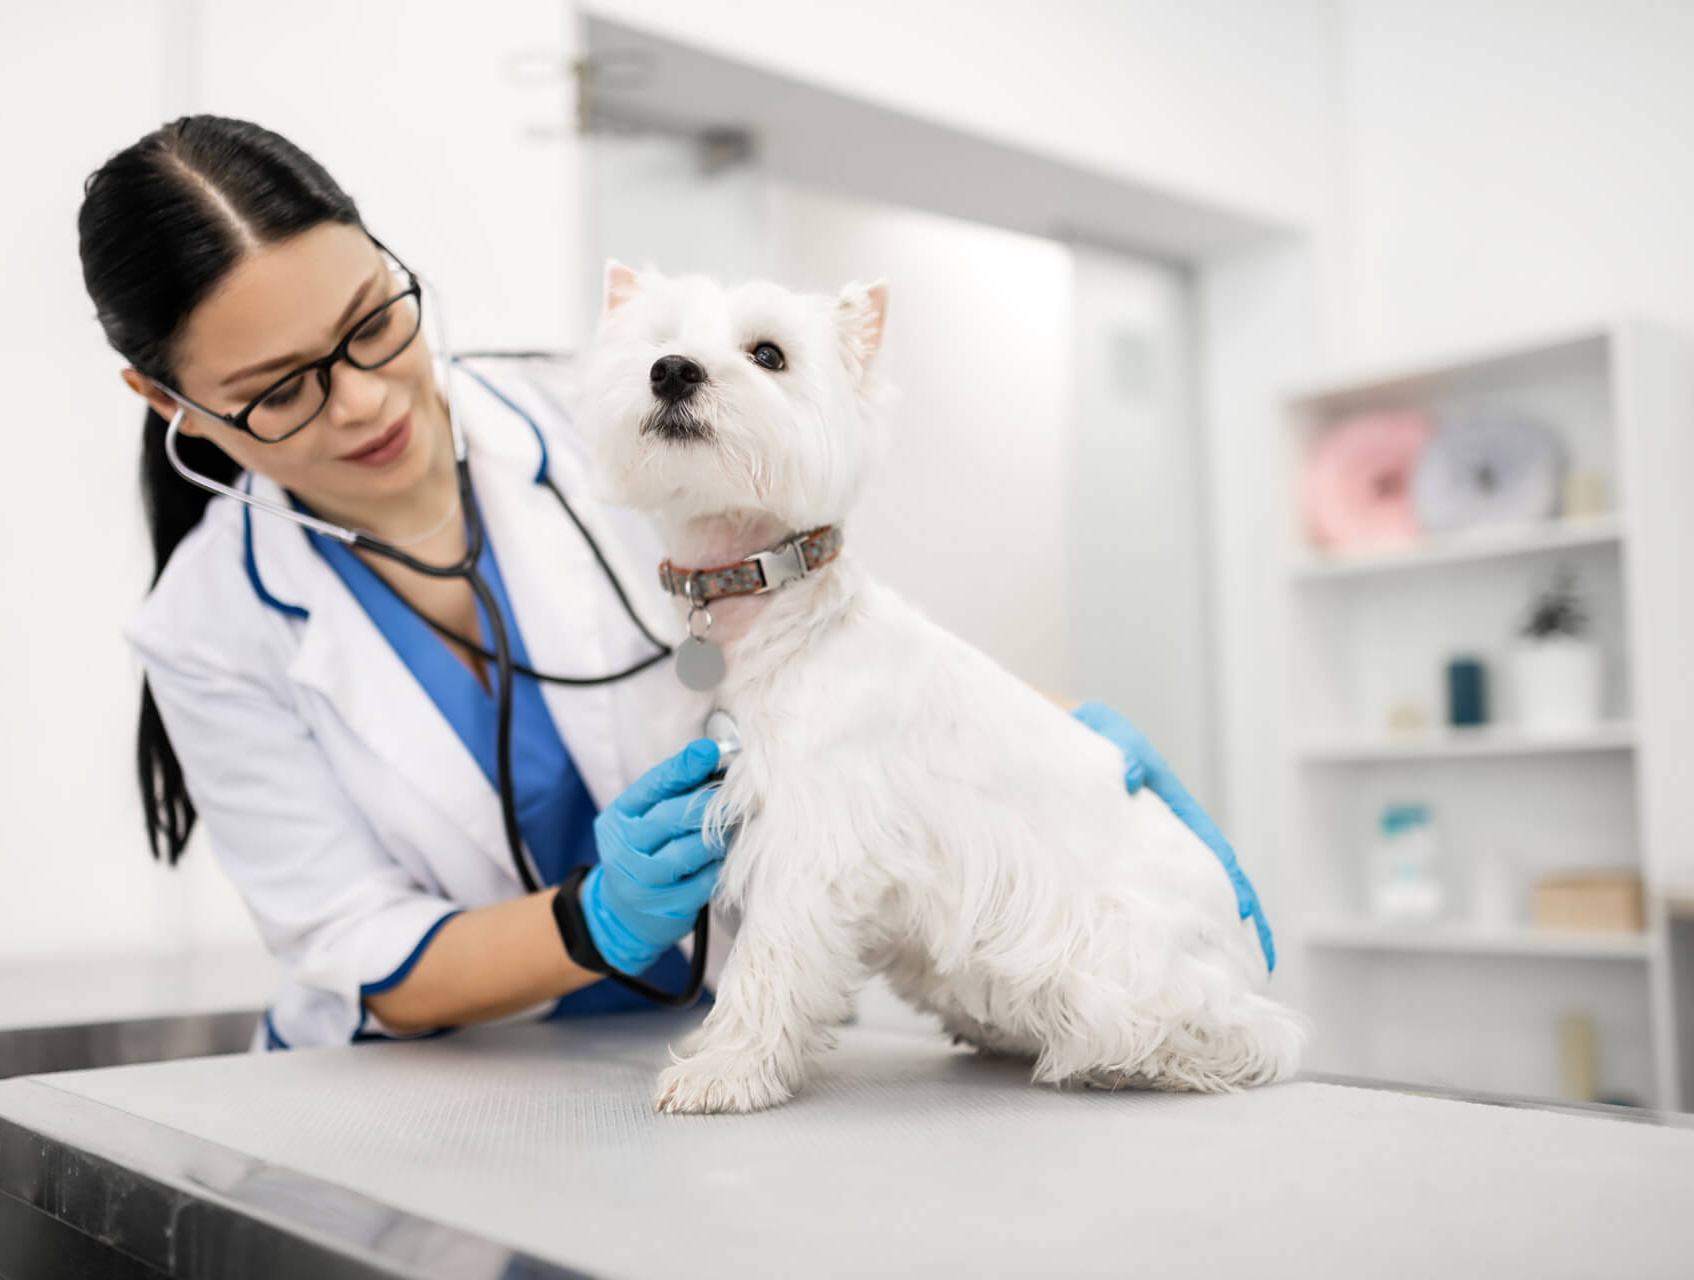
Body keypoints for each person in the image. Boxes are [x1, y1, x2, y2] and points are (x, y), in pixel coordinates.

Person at [78, 114, 1258, 1052]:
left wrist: (1071, 750)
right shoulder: (206, 629)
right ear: (170, 403)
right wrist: (592, 921)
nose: (366, 399)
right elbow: (355, 945)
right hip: (424, 1081)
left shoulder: (622, 411)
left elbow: (825, 637)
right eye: (281, 388)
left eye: (373, 322)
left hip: (674, 1043)